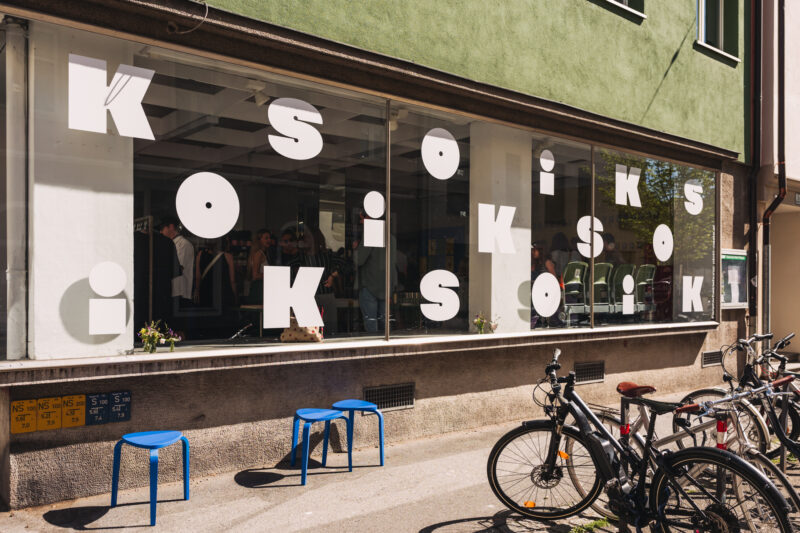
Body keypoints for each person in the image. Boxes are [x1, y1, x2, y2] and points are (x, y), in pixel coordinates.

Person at [353, 212, 396, 333]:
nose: (361, 222)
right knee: (385, 323)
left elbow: (359, 259)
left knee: (371, 323)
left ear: (370, 217)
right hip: (385, 286)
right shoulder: (391, 238)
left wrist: (356, 249)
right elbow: (392, 264)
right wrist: (392, 287)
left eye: (362, 218)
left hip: (370, 286)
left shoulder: (370, 235)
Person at [194, 237, 237, 310]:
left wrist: (197, 291)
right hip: (223, 293)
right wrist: (235, 295)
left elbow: (198, 277)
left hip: (205, 292)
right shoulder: (228, 257)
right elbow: (232, 280)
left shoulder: (200, 254)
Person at [159, 217, 194, 305]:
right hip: (173, 289)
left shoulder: (183, 244)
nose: (161, 232)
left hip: (180, 290)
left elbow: (178, 266)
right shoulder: (172, 243)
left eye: (163, 228)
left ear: (171, 227)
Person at [246, 228, 270, 303]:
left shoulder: (258, 253)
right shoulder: (259, 254)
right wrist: (271, 274)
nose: (269, 240)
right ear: (259, 240)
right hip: (259, 288)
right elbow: (255, 275)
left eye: (269, 238)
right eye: (266, 238)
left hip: (258, 287)